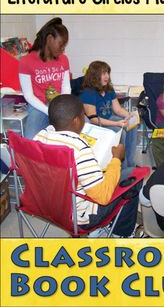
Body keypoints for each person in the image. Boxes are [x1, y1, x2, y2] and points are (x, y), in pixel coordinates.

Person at [34, 94, 140, 238]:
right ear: (77, 120)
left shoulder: (41, 136)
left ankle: (107, 227)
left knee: (100, 172)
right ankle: (121, 233)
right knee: (135, 176)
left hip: (46, 205)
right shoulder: (79, 148)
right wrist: (116, 159)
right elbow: (103, 196)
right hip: (79, 217)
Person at [19, 17, 71, 139]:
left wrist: (60, 107)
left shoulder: (63, 59)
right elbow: (29, 96)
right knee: (30, 141)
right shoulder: (26, 61)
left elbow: (66, 87)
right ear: (49, 39)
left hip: (59, 105)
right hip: (38, 107)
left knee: (78, 133)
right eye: (61, 44)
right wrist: (49, 111)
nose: (63, 48)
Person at [79, 61, 137, 169]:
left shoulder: (108, 89)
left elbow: (118, 109)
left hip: (108, 118)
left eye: (107, 73)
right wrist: (117, 123)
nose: (107, 76)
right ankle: (121, 168)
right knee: (121, 133)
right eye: (103, 73)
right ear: (95, 75)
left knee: (132, 126)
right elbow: (94, 119)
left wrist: (130, 115)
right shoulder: (88, 93)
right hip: (96, 125)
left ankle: (130, 163)